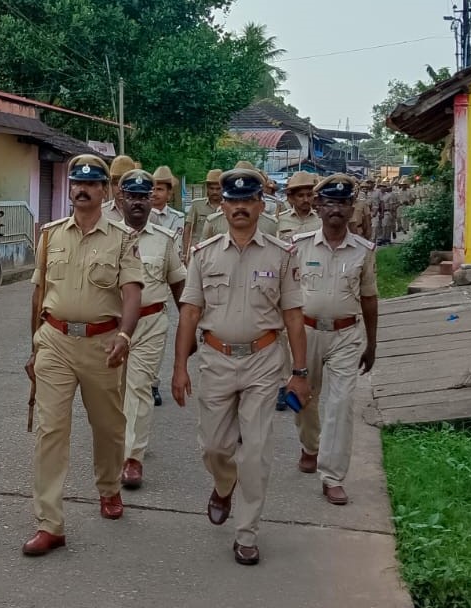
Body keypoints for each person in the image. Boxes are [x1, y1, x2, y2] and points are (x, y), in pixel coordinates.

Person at [170, 167, 308, 566]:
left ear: (261, 206)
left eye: (249, 201)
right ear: (224, 206)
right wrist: (180, 367)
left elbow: (294, 317)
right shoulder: (203, 254)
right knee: (215, 447)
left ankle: (247, 532)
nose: (241, 208)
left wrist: (299, 373)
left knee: (257, 450)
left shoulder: (281, 255)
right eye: (234, 201)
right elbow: (190, 313)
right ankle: (223, 483)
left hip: (264, 361)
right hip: (215, 359)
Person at [23, 154, 144, 556]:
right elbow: (39, 294)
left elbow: (132, 293)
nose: (82, 188)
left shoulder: (123, 238)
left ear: (104, 191)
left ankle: (109, 486)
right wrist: (34, 345)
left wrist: (125, 335)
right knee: (50, 429)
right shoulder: (50, 235)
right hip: (55, 341)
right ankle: (49, 522)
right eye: (76, 181)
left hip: (102, 344)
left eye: (91, 183)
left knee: (108, 427)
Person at [292, 174, 378, 507]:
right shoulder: (299, 246)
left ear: (352, 208)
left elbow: (369, 299)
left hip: (346, 334)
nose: (336, 210)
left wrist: (372, 344)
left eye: (343, 203)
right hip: (306, 332)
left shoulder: (364, 251)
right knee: (304, 398)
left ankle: (333, 476)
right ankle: (310, 446)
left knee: (340, 406)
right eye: (329, 202)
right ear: (318, 206)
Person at [115, 169, 187, 491]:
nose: (138, 203)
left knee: (139, 387)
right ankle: (119, 444)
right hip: (112, 325)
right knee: (114, 391)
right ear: (121, 199)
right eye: (132, 196)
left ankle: (133, 458)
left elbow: (179, 287)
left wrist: (189, 331)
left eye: (144, 196)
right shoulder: (107, 237)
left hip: (151, 324)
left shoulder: (165, 240)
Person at [183, 169, 226, 260]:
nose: (215, 192)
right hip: (198, 252)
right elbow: (188, 229)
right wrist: (186, 252)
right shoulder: (197, 205)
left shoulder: (228, 207)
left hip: (221, 253)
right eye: (211, 188)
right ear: (207, 188)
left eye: (218, 188)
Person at [276, 170, 322, 242]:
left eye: (309, 195)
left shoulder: (321, 219)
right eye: (300, 196)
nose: (306, 200)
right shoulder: (279, 220)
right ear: (291, 197)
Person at [149, 166, 186, 236]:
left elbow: (175, 242)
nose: (154, 194)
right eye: (152, 189)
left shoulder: (177, 217)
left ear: (169, 193)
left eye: (159, 189)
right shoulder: (141, 214)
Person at [103, 154, 139, 223]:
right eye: (116, 184)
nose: (120, 189)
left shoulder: (147, 213)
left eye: (124, 184)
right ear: (111, 185)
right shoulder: (101, 213)